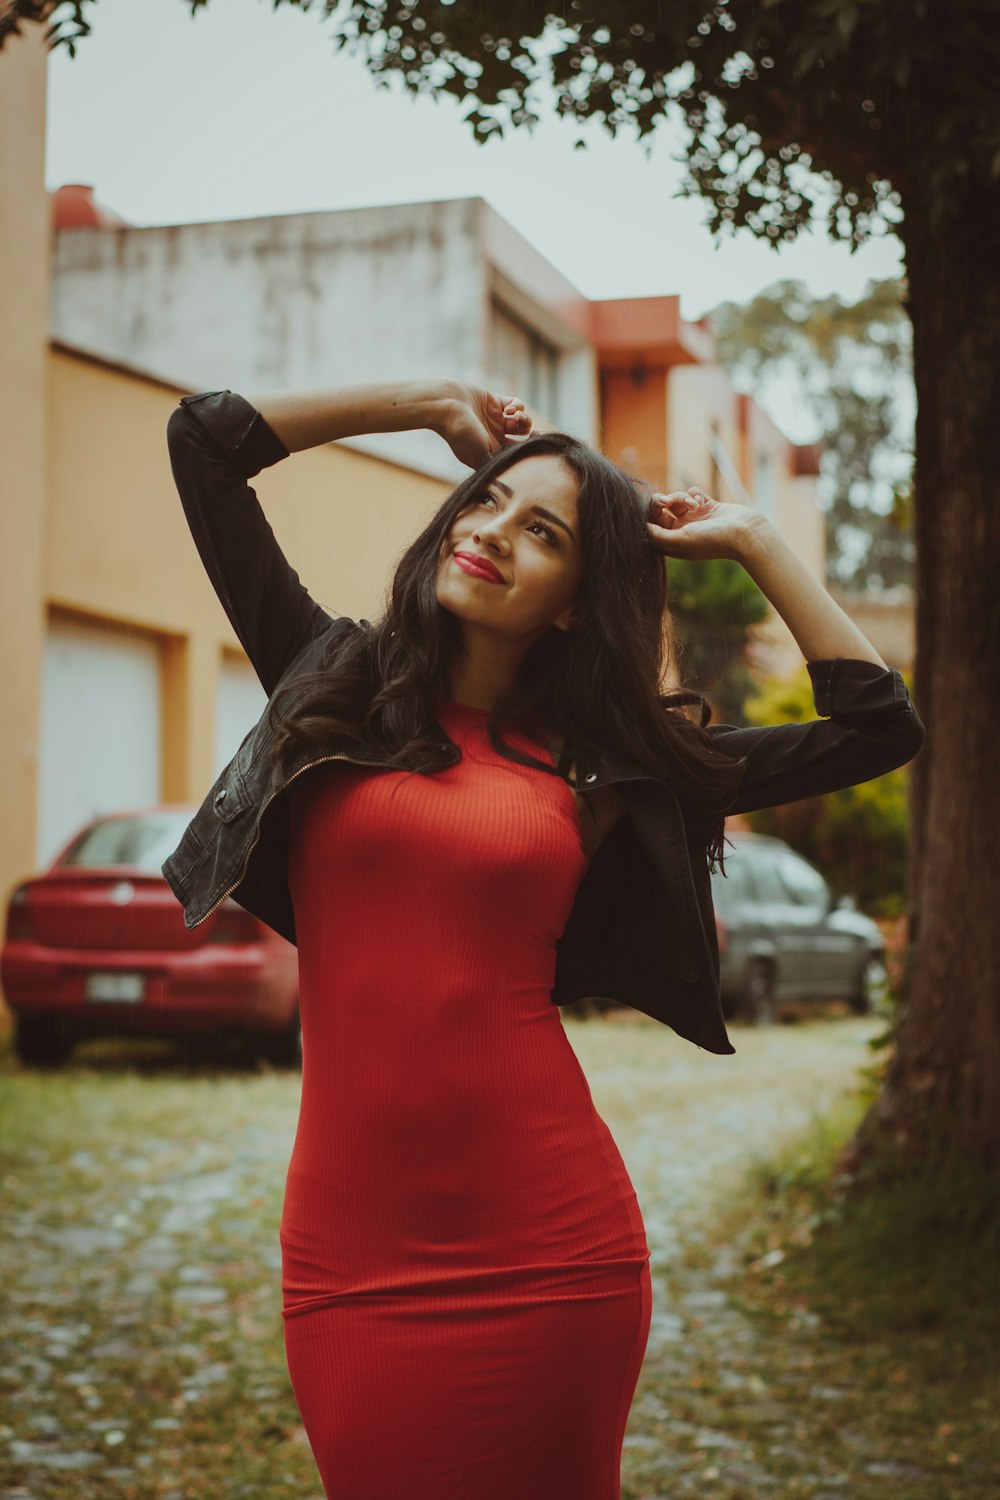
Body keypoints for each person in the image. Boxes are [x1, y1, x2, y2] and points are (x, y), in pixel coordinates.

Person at [161, 378, 925, 1499]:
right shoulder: (329, 681)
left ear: (576, 601)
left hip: (546, 1247)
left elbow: (877, 727)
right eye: (487, 504)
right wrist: (427, 402)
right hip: (350, 1253)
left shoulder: (605, 765)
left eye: (541, 532)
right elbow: (204, 445)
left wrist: (757, 539)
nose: (491, 535)